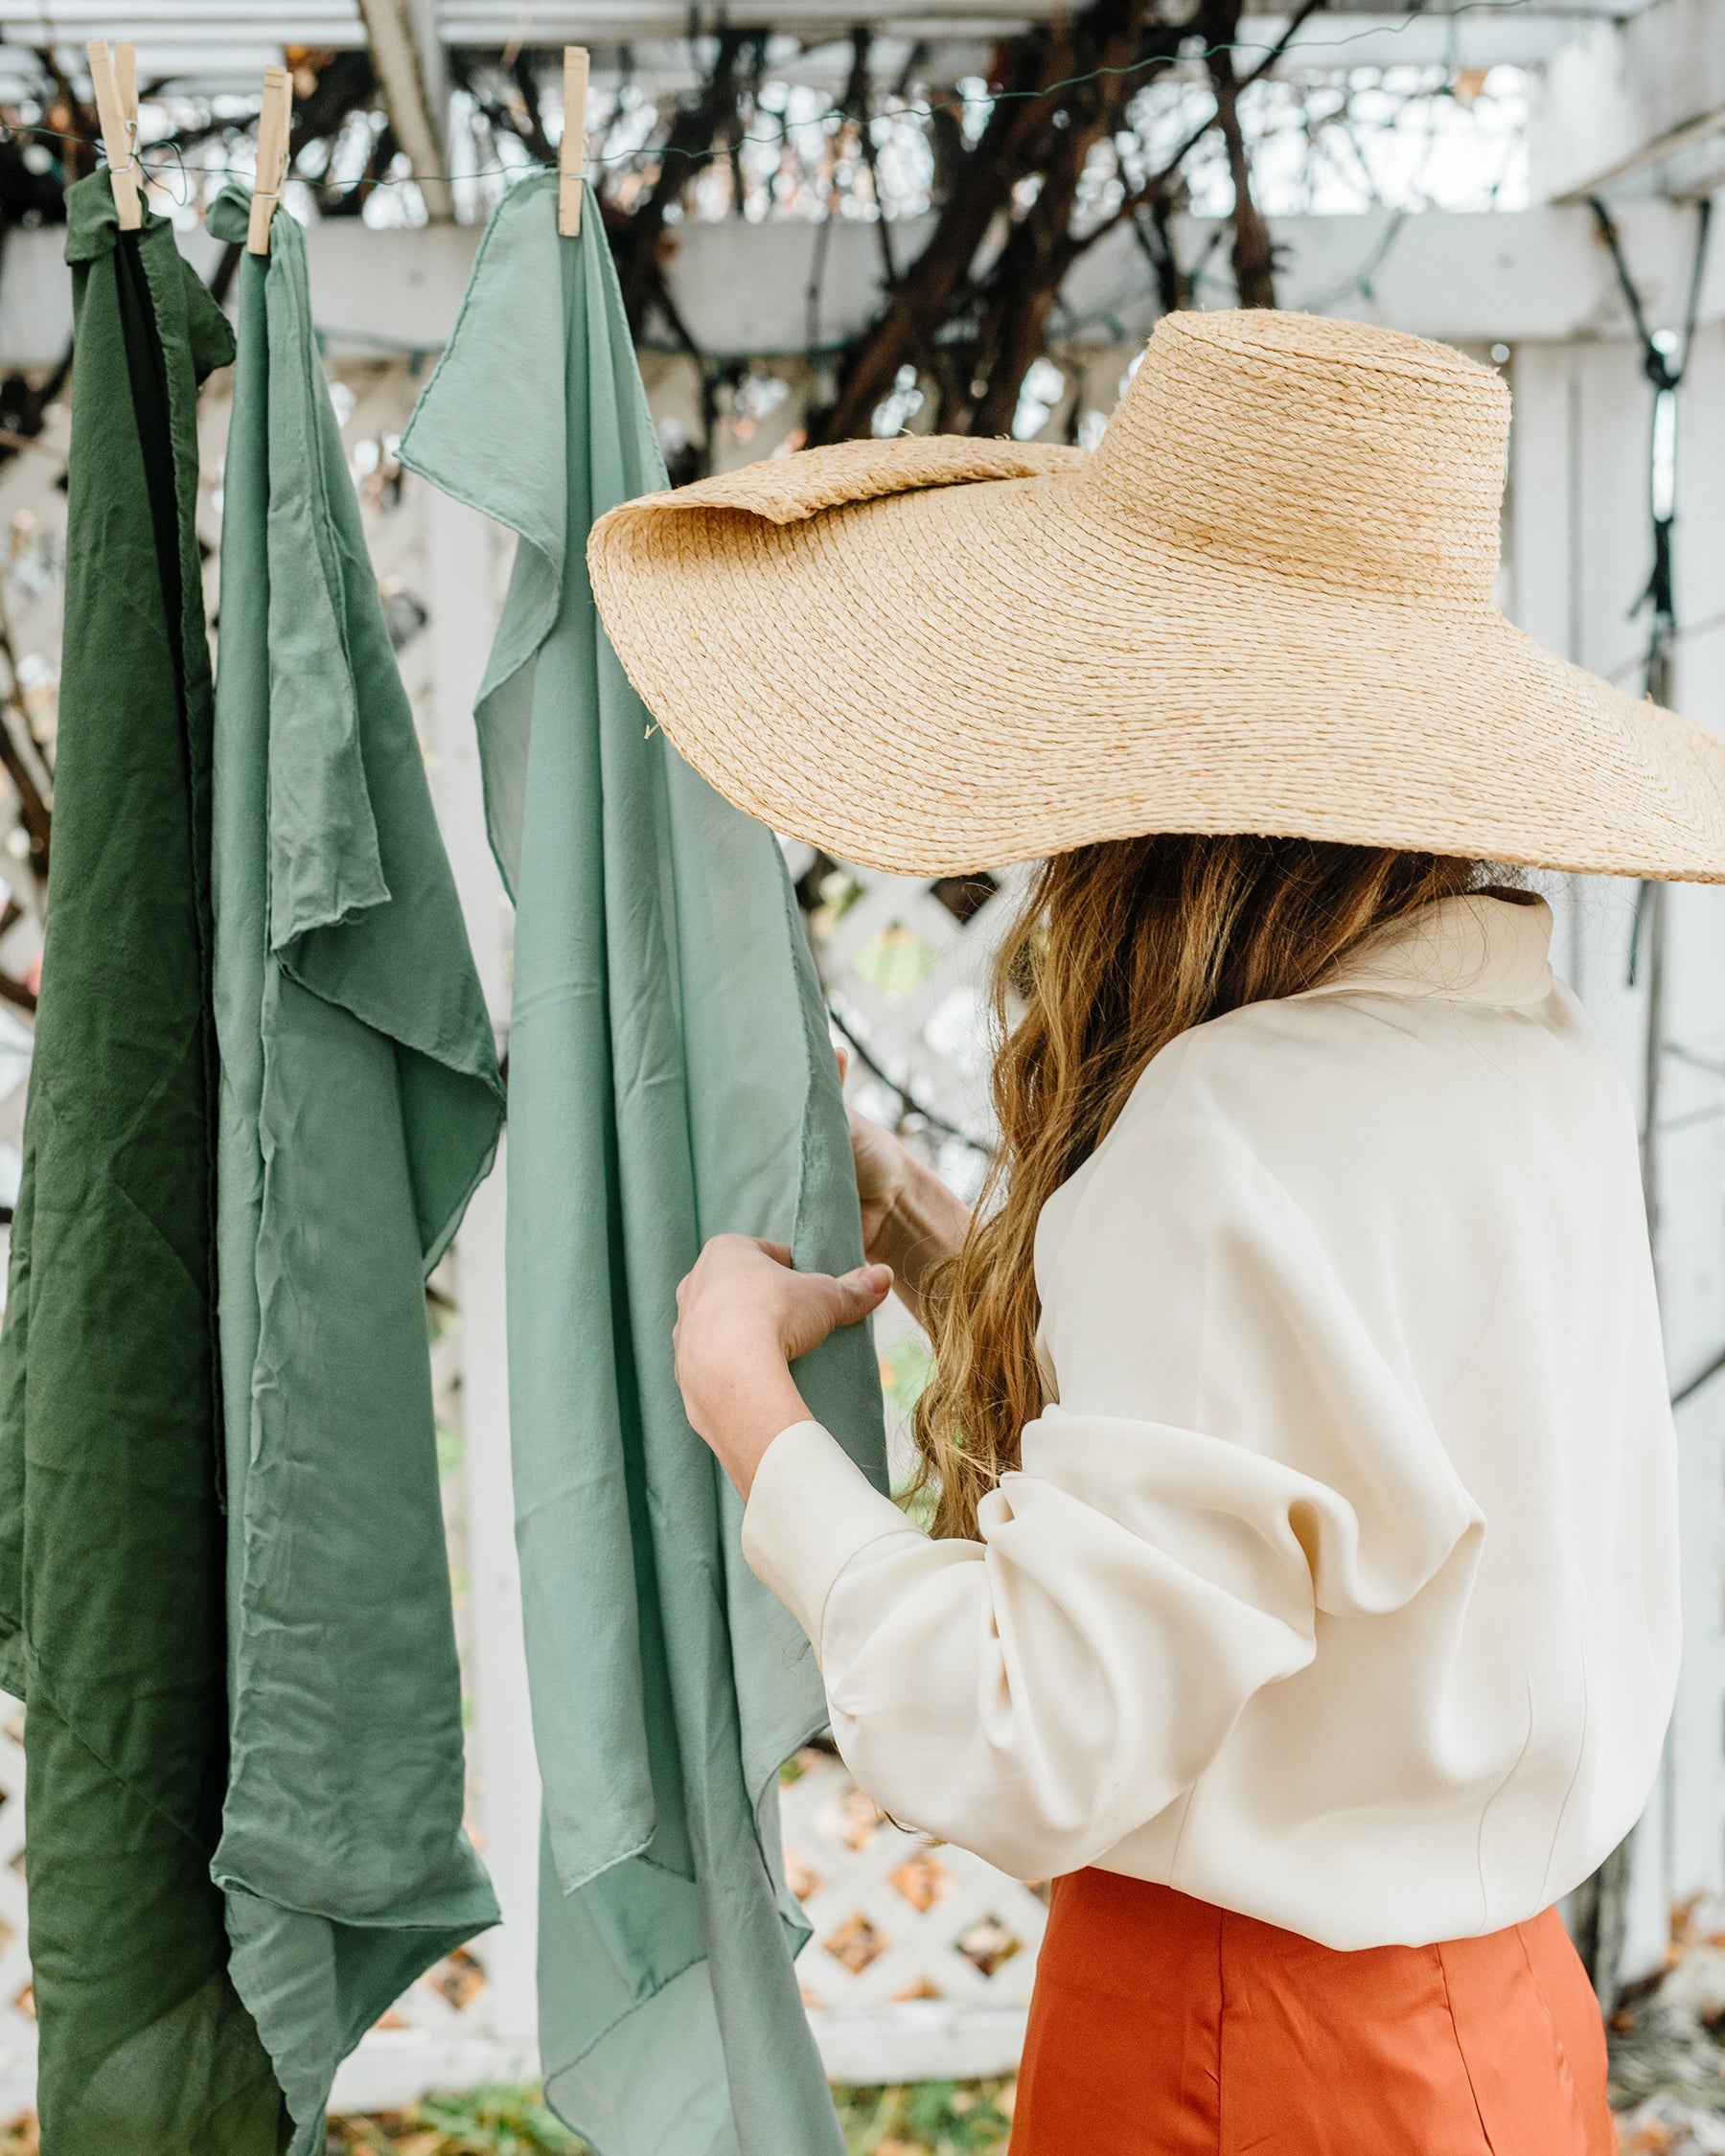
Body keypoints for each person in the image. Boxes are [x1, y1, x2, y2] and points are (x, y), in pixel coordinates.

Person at [586, 308, 1717, 2152]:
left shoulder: (1238, 1123)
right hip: (1507, 2024)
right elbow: (1311, 1460)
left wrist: (753, 1420)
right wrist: (940, 1240)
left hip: (1240, 2049)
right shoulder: (1530, 1056)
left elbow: (1031, 1731)